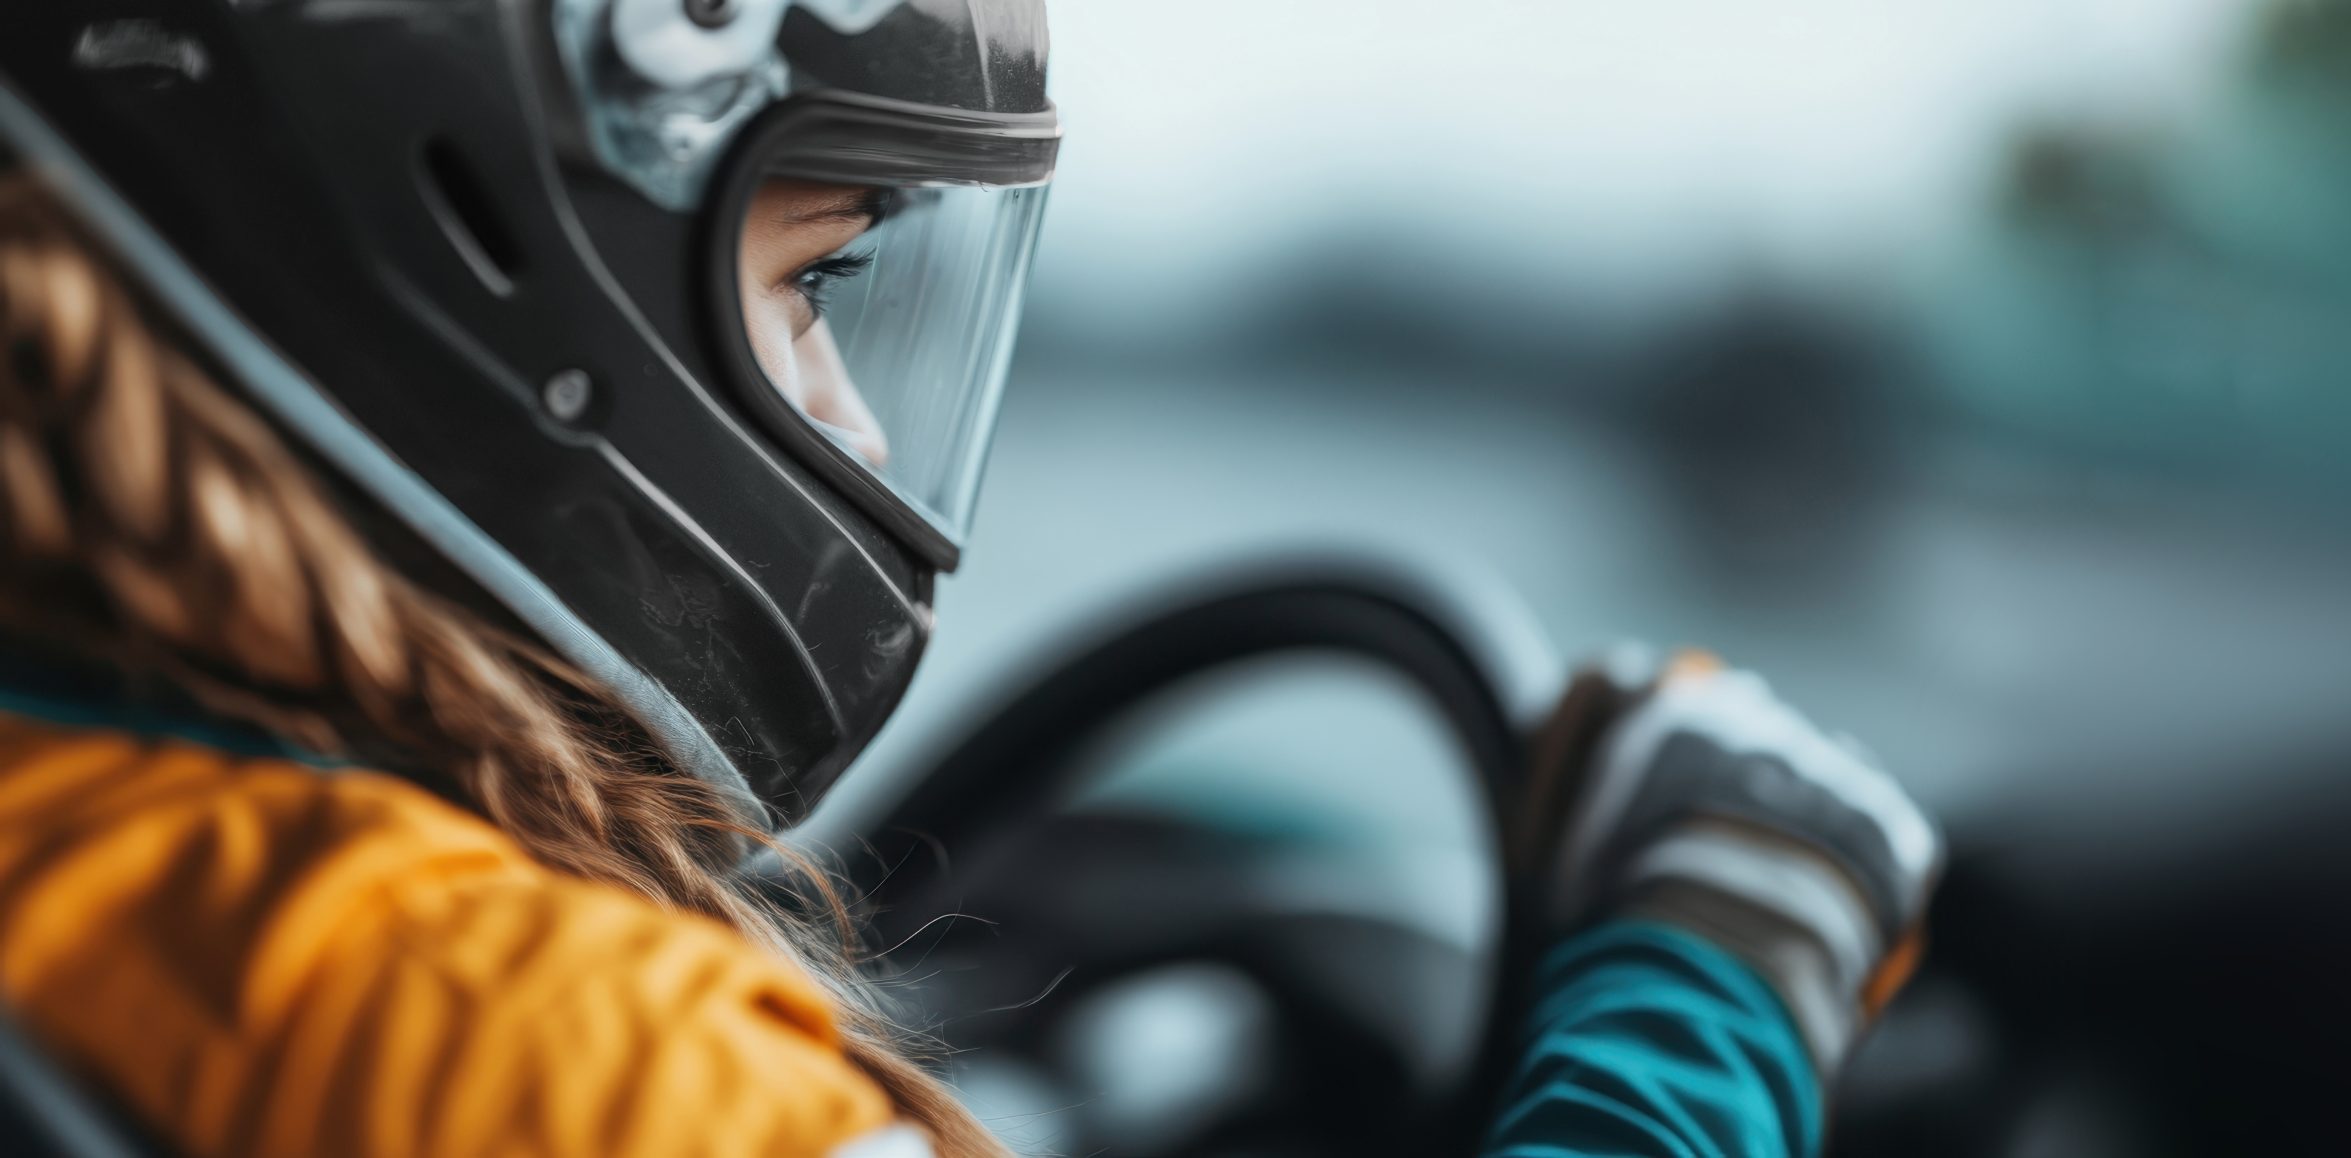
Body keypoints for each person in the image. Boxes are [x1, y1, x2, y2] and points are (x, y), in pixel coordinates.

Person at [0, 2, 1939, 1156]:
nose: (840, 420)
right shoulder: (511, 1043)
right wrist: (1718, 983)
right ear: (438, 232)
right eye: (809, 282)